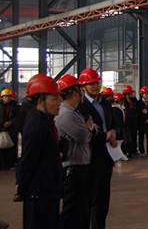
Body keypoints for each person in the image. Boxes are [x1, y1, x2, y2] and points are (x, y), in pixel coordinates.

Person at [14, 74, 62, 229]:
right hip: (39, 193)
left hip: (47, 190)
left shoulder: (44, 120)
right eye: (54, 99)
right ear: (41, 101)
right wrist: (22, 187)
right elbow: (28, 158)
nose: (59, 103)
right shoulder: (37, 124)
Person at [78, 68, 117, 229]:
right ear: (83, 86)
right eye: (91, 84)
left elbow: (113, 122)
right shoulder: (81, 106)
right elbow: (83, 131)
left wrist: (113, 132)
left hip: (106, 156)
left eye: (97, 83)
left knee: (103, 200)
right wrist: (103, 136)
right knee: (90, 199)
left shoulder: (105, 103)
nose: (95, 86)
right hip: (90, 157)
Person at [55, 74, 94, 229]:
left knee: (80, 206)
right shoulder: (66, 114)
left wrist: (87, 127)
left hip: (80, 163)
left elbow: (90, 129)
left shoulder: (73, 112)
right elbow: (84, 136)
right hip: (73, 166)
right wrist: (87, 127)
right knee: (72, 207)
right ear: (75, 92)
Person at [0, 88, 19, 170]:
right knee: (1, 147)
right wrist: (3, 123)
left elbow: (18, 116)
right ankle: (2, 165)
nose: (7, 98)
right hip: (1, 129)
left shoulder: (15, 106)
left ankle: (10, 164)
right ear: (2, 97)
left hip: (12, 130)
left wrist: (11, 122)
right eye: (5, 96)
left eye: (8, 96)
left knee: (11, 148)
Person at [122, 86, 138, 157]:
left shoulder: (134, 100)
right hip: (127, 122)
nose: (132, 94)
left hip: (134, 122)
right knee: (128, 137)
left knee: (134, 136)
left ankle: (134, 150)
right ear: (127, 94)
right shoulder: (123, 101)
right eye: (131, 93)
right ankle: (128, 151)